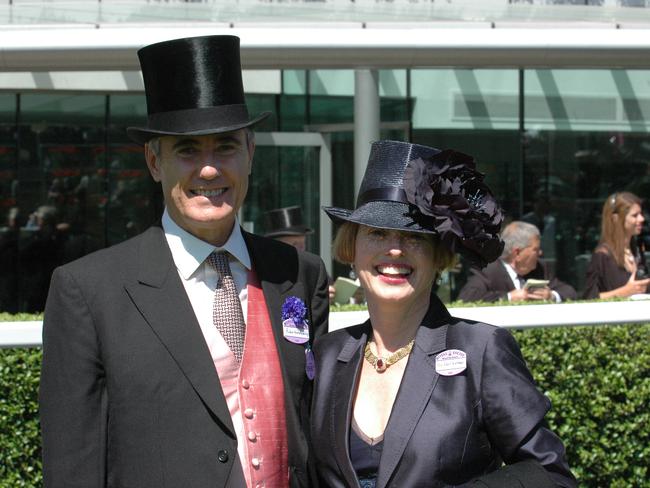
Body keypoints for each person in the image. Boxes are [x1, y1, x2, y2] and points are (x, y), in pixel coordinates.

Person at [40, 35, 329, 488]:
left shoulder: (298, 274)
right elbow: (73, 462)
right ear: (155, 162)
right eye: (187, 150)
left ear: (250, 153)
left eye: (226, 146)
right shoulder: (89, 291)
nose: (209, 169)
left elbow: (315, 427)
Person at [311, 140, 577, 487]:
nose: (394, 248)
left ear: (438, 257)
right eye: (377, 233)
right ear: (352, 247)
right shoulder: (326, 356)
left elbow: (550, 475)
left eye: (414, 237)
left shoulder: (481, 350)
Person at [458, 221, 577, 303]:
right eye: (535, 249)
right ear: (517, 253)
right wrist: (509, 297)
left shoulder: (540, 268)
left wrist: (551, 296)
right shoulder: (488, 271)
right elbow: (466, 299)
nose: (540, 253)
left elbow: (570, 292)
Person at [583, 191, 650, 299]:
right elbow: (589, 298)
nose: (641, 219)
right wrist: (625, 291)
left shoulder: (636, 252)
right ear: (616, 219)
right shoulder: (602, 256)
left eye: (641, 214)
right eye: (634, 215)